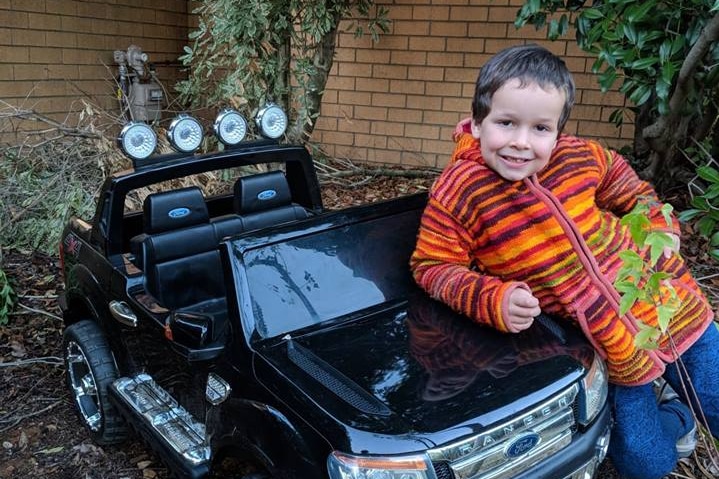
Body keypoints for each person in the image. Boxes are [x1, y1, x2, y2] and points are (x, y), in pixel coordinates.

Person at [410, 43, 719, 479]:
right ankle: (675, 417)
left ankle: (677, 391)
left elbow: (633, 191)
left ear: (558, 132)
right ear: (477, 124)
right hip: (615, 345)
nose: (521, 142)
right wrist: (492, 299)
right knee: (645, 463)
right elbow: (432, 265)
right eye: (505, 123)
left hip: (673, 305)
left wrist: (657, 226)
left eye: (540, 128)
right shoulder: (460, 190)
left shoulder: (580, 157)